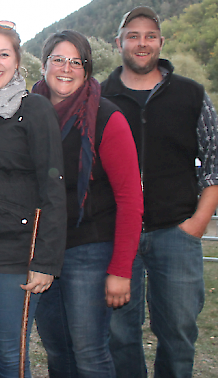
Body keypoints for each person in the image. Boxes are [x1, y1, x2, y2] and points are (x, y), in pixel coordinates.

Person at [101, 6, 218, 378]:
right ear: (119, 42)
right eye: (133, 35)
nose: (142, 43)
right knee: (118, 334)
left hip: (176, 232)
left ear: (160, 42)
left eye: (150, 36)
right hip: (114, 235)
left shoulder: (190, 95)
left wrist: (198, 223)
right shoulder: (101, 97)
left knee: (178, 334)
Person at [31, 30, 143, 377]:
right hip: (45, 250)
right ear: (44, 65)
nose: (66, 68)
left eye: (75, 61)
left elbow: (130, 200)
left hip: (91, 249)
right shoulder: (28, 114)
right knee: (56, 348)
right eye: (58, 60)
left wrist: (121, 271)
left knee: (90, 352)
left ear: (87, 69)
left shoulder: (107, 118)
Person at [0, 20, 67, 378]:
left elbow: (53, 187)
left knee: (10, 355)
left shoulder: (34, 109)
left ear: (17, 60)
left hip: (17, 256)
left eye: (3, 54)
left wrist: (46, 261)